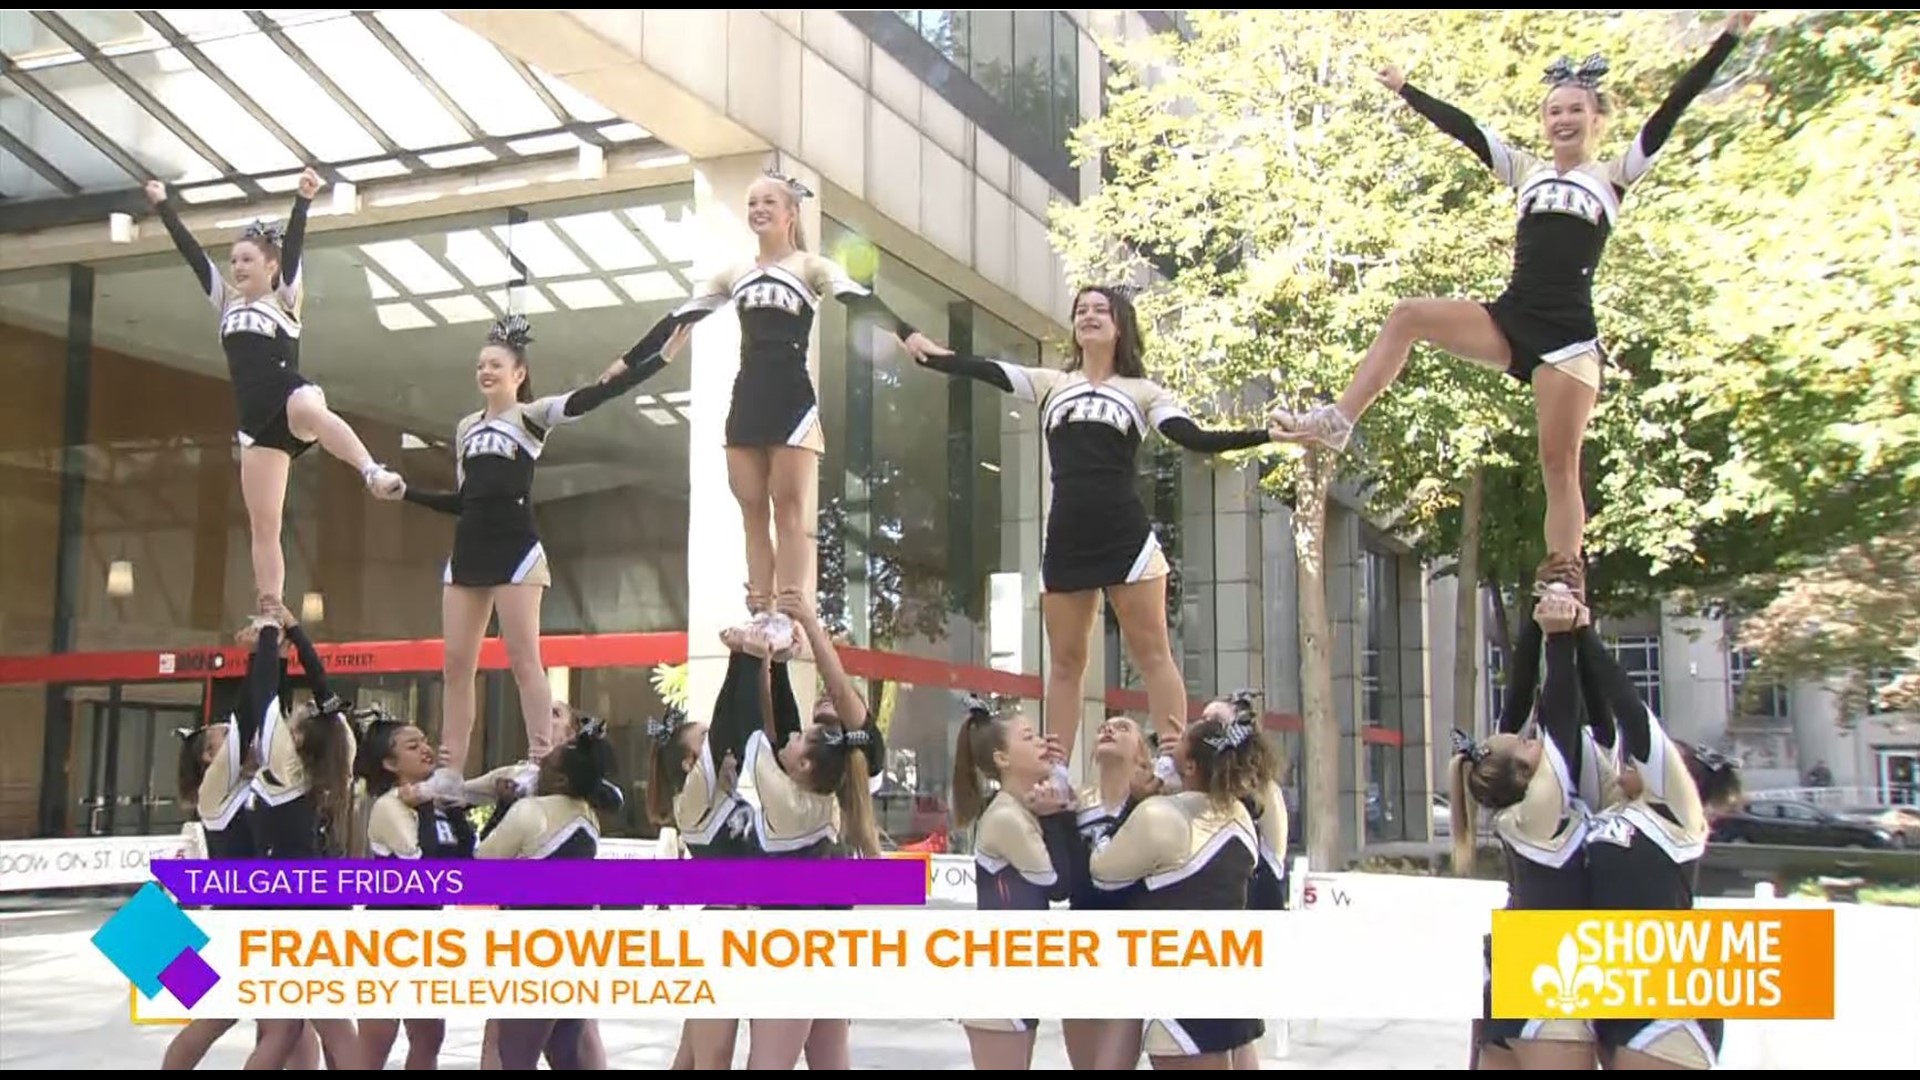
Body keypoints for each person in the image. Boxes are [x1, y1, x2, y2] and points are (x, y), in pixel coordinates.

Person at [1271, 12, 1758, 599]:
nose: (1564, 119)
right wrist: (1406, 90)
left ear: (1596, 119)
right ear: (1545, 121)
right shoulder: (1525, 171)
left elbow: (1672, 108)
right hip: (1510, 316)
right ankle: (1337, 420)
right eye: (1555, 111)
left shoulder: (1614, 177)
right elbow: (1467, 130)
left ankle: (1563, 574)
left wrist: (1728, 37)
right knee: (1407, 316)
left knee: (1558, 461)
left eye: (1576, 109)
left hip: (1569, 339)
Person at [915, 285, 1280, 761]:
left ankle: (1174, 762)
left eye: (1099, 310)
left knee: (1152, 653)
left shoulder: (1144, 392)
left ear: (1120, 324)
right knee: (1065, 662)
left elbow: (1195, 438)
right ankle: (1058, 769)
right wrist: (932, 354)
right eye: (1080, 310)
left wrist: (1269, 433)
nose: (1087, 316)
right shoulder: (1051, 383)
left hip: (1124, 535)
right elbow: (985, 369)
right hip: (1067, 536)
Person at [600, 169, 956, 652]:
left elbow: (860, 299)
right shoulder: (733, 274)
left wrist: (908, 333)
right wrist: (625, 361)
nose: (758, 210)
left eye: (768, 201)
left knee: (788, 509)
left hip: (791, 399)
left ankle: (789, 615)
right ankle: (760, 611)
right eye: (751, 203)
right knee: (750, 508)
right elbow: (679, 317)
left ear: (791, 213)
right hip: (747, 398)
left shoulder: (811, 267)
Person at [384, 315, 685, 803]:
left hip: (516, 551)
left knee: (525, 660)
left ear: (518, 373)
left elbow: (593, 395)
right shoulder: (466, 428)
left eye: (495, 365)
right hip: (469, 551)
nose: (485, 372)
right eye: (480, 365)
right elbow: (464, 500)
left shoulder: (532, 416)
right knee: (456, 664)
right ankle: (450, 769)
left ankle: (542, 759)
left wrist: (658, 360)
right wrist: (407, 494)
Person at [144, 171, 404, 630]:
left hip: (290, 396)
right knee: (264, 523)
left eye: (247, 259)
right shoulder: (225, 303)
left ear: (270, 266)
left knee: (309, 410)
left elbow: (297, 247)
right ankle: (270, 611)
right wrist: (164, 207)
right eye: (233, 261)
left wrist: (303, 202)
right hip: (256, 423)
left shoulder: (285, 299)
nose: (237, 267)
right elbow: (191, 255)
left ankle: (371, 470)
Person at [1452, 586, 1616, 1071]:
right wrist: (1561, 639)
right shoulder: (1540, 809)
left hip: (1511, 973)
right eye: (1525, 744)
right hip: (1549, 981)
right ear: (1524, 774)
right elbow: (1561, 714)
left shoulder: (1517, 806)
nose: (1533, 739)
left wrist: (1535, 611)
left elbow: (1519, 700)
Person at [1575, 612, 1742, 1071]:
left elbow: (1627, 707)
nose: (1634, 755)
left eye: (1654, 759)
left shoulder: (1678, 817)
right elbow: (1597, 719)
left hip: (1668, 998)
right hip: (1612, 989)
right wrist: (1565, 636)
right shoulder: (1616, 805)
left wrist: (1586, 632)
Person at [1090, 713, 1271, 1071]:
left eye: (1182, 737)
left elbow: (1103, 872)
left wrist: (1127, 808)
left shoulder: (1160, 816)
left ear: (1189, 764)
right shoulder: (1240, 814)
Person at [476, 719, 623, 1070]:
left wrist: (503, 805)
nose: (536, 766)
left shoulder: (531, 811)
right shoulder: (587, 814)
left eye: (547, 763)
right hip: (577, 946)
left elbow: (482, 865)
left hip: (535, 949)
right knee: (566, 1054)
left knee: (516, 1056)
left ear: (560, 780)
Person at [951, 699, 1079, 1070]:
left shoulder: (1022, 807)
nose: (1042, 742)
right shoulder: (1007, 815)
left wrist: (1059, 788)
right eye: (1029, 736)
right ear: (1002, 759)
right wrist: (1055, 817)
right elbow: (1057, 885)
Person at [352, 710, 474, 1071]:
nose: (425, 749)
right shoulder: (390, 806)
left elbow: (466, 862)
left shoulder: (431, 804)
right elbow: (421, 871)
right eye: (412, 745)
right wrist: (424, 807)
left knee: (429, 1036)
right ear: (390, 763)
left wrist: (453, 810)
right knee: (378, 1041)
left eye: (424, 741)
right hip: (387, 936)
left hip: (427, 936)